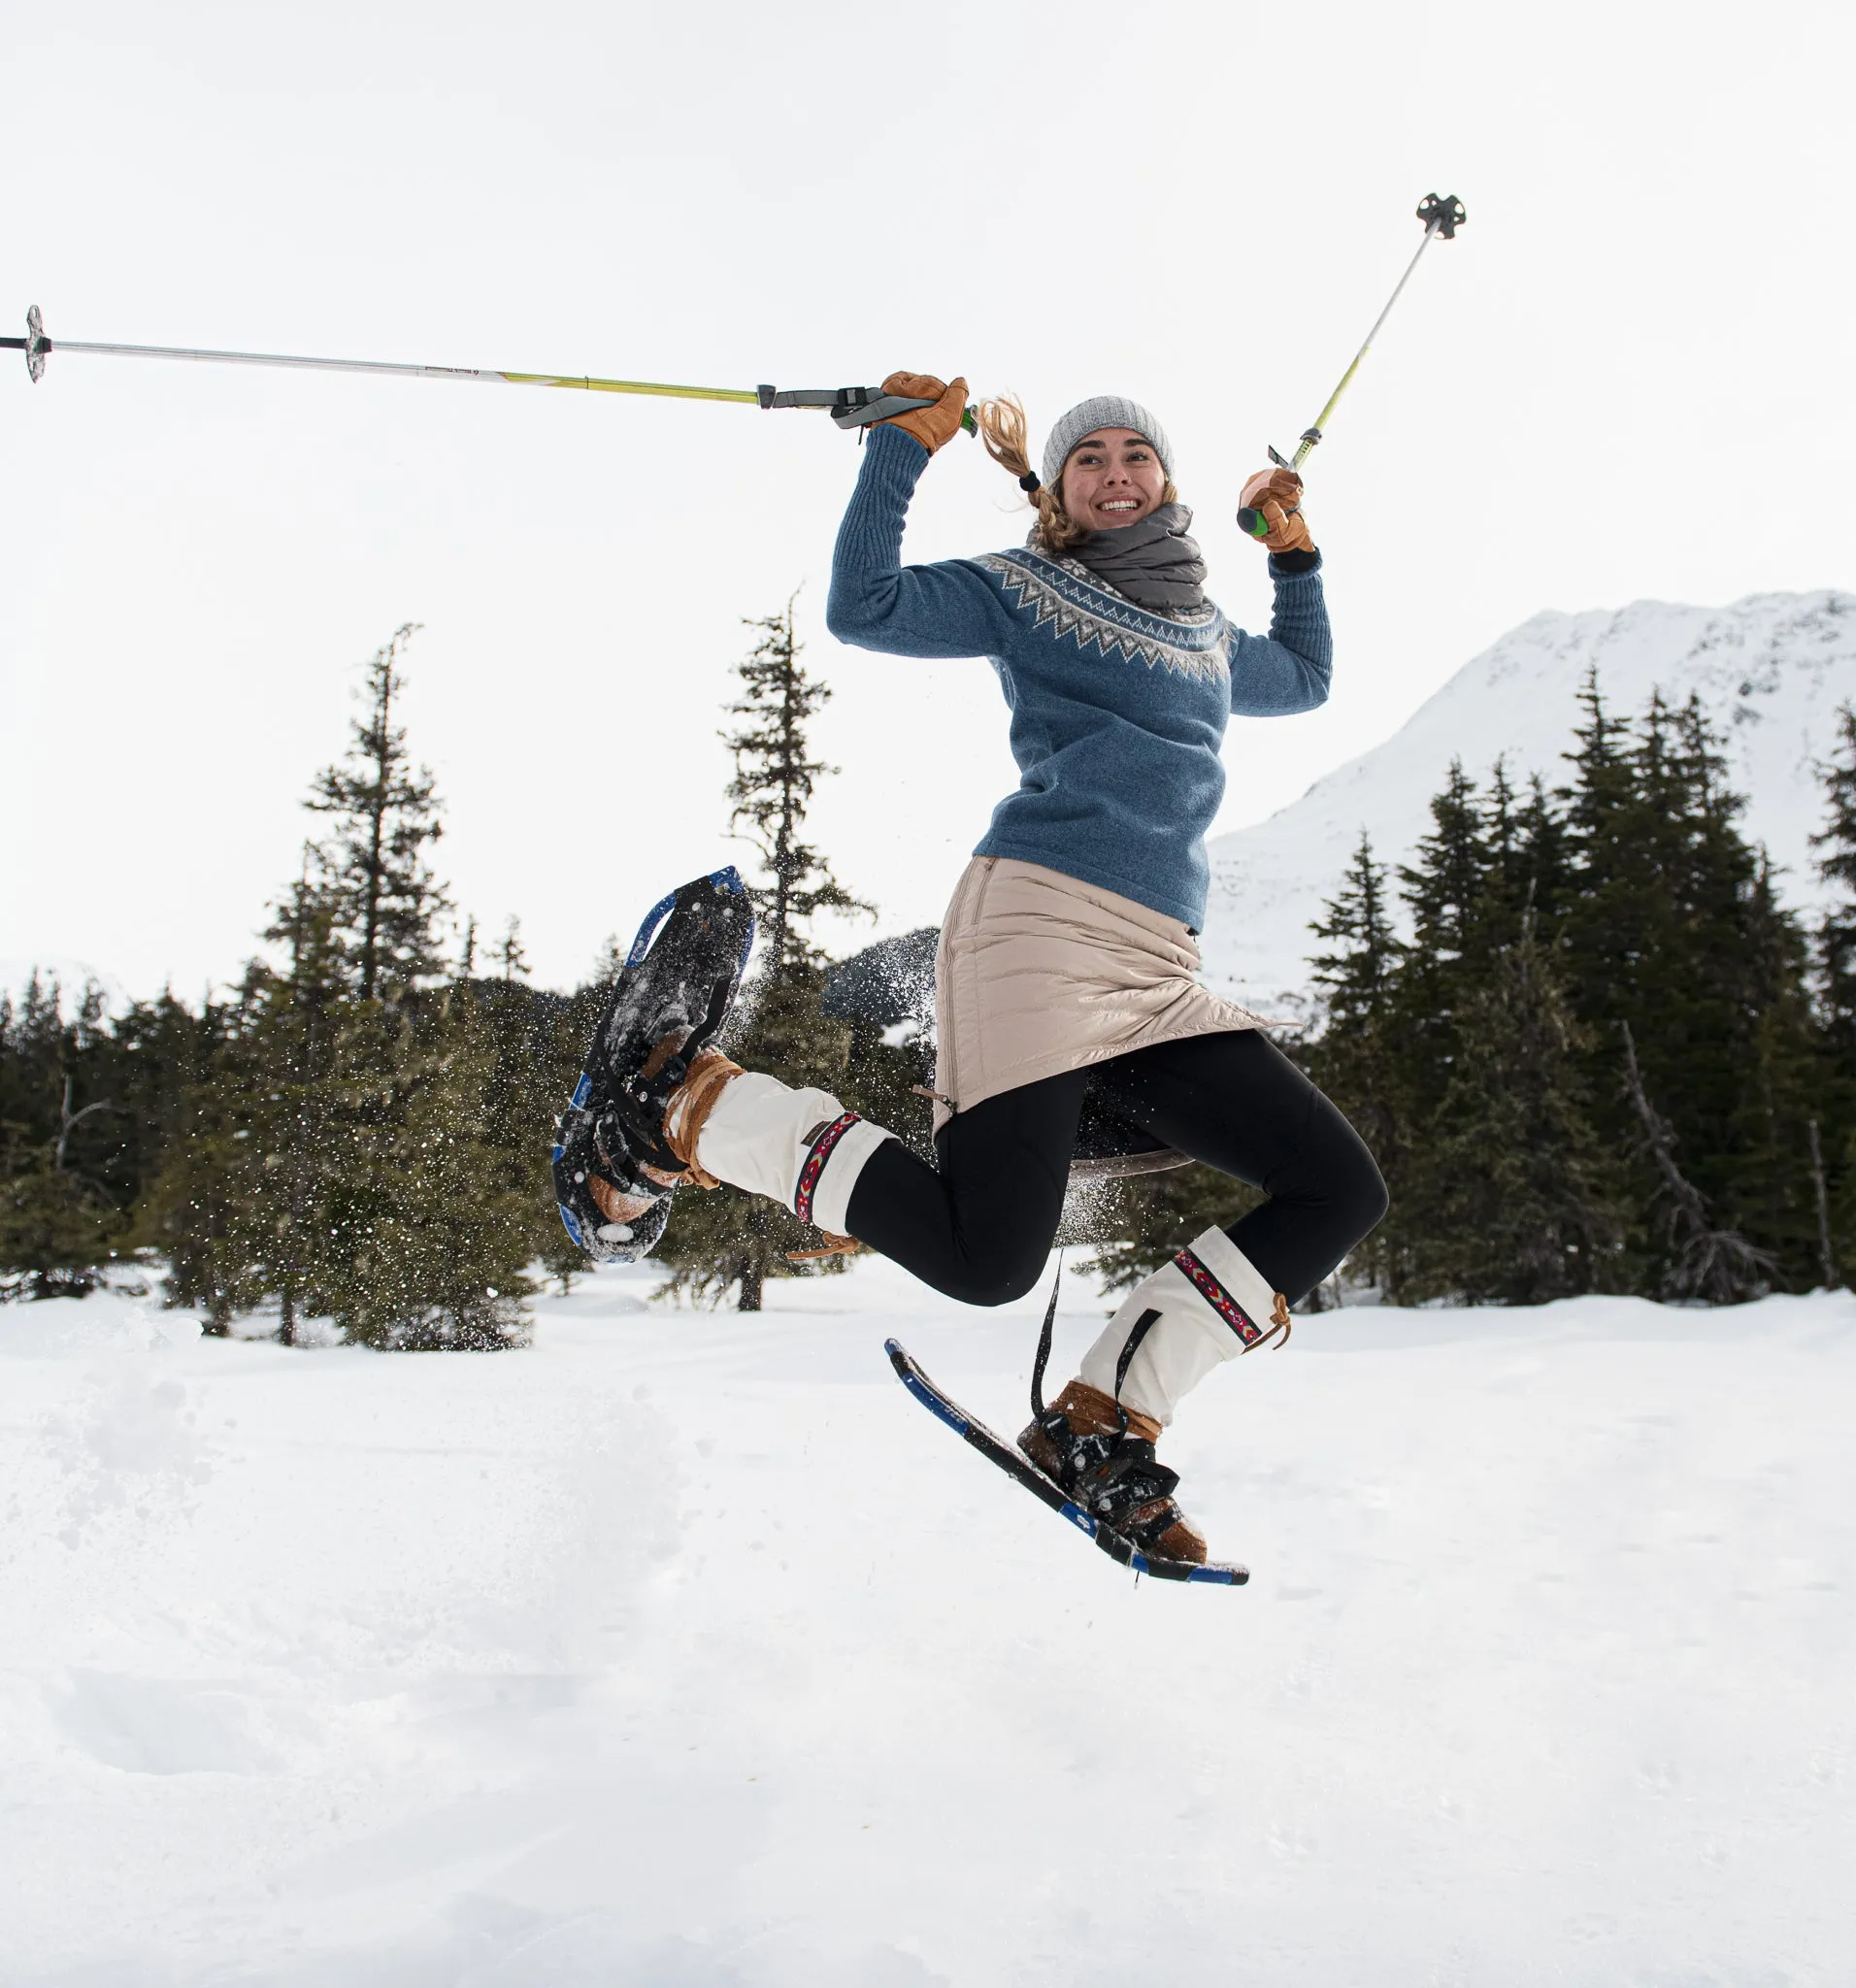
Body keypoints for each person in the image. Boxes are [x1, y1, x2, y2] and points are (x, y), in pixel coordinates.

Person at [582, 371, 1388, 1564]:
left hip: (1160, 964)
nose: (1115, 471)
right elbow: (865, 606)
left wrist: (1295, 552)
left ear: (1165, 480)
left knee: (1334, 1186)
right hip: (1039, 924)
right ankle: (683, 1105)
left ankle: (1103, 1419)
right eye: (1088, 459)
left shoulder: (1210, 637)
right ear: (1059, 491)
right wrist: (900, 452)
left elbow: (1307, 678)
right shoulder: (1029, 590)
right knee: (982, 1260)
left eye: (1135, 454)